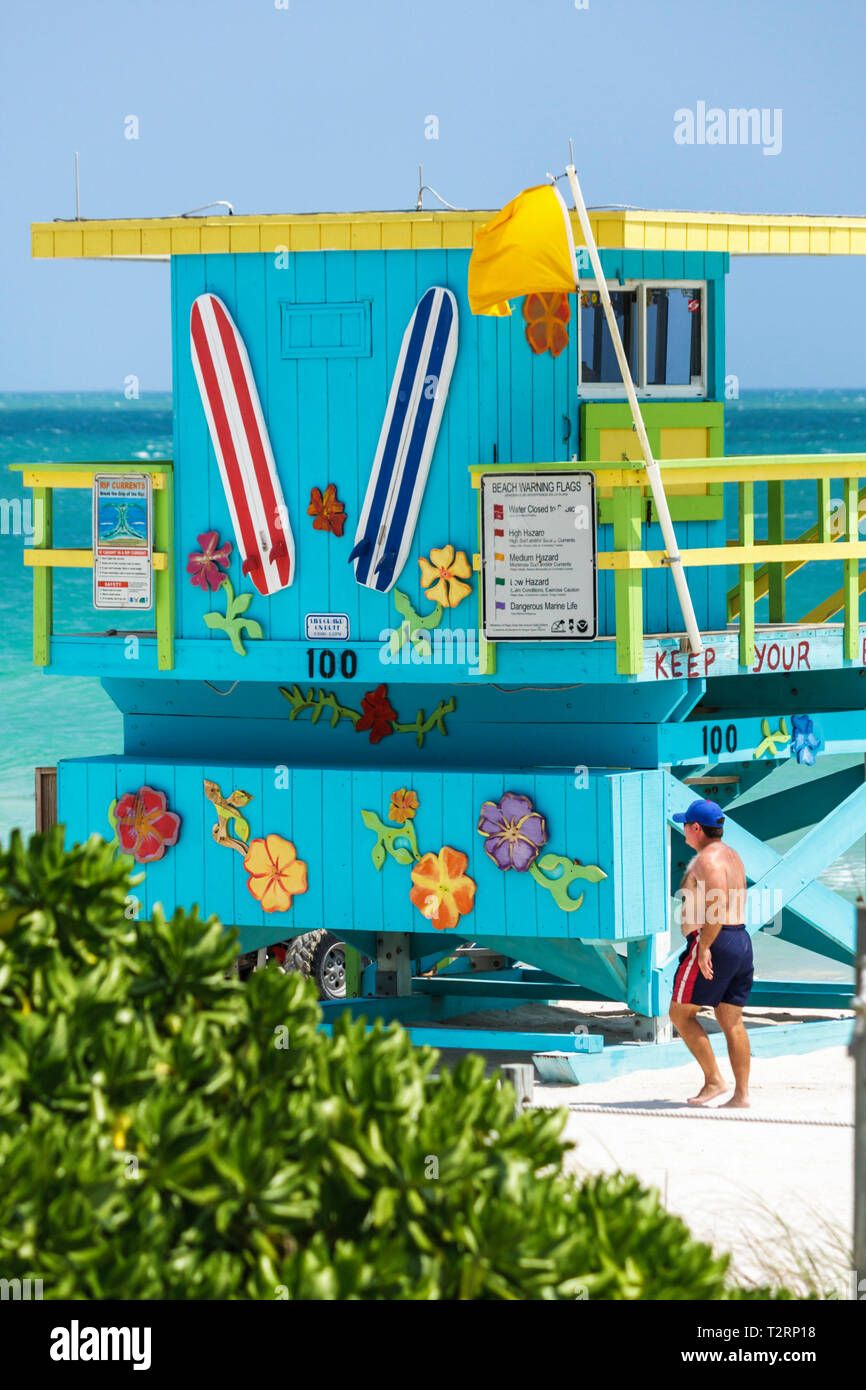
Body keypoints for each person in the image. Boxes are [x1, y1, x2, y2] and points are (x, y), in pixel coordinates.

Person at [668, 798, 753, 1108]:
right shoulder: (732, 856)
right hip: (740, 939)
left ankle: (715, 1080)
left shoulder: (708, 860)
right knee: (731, 1018)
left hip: (715, 941)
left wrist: (704, 946)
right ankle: (741, 1095)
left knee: (679, 1013)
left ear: (697, 828)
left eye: (685, 826)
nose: (683, 832)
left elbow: (716, 905)